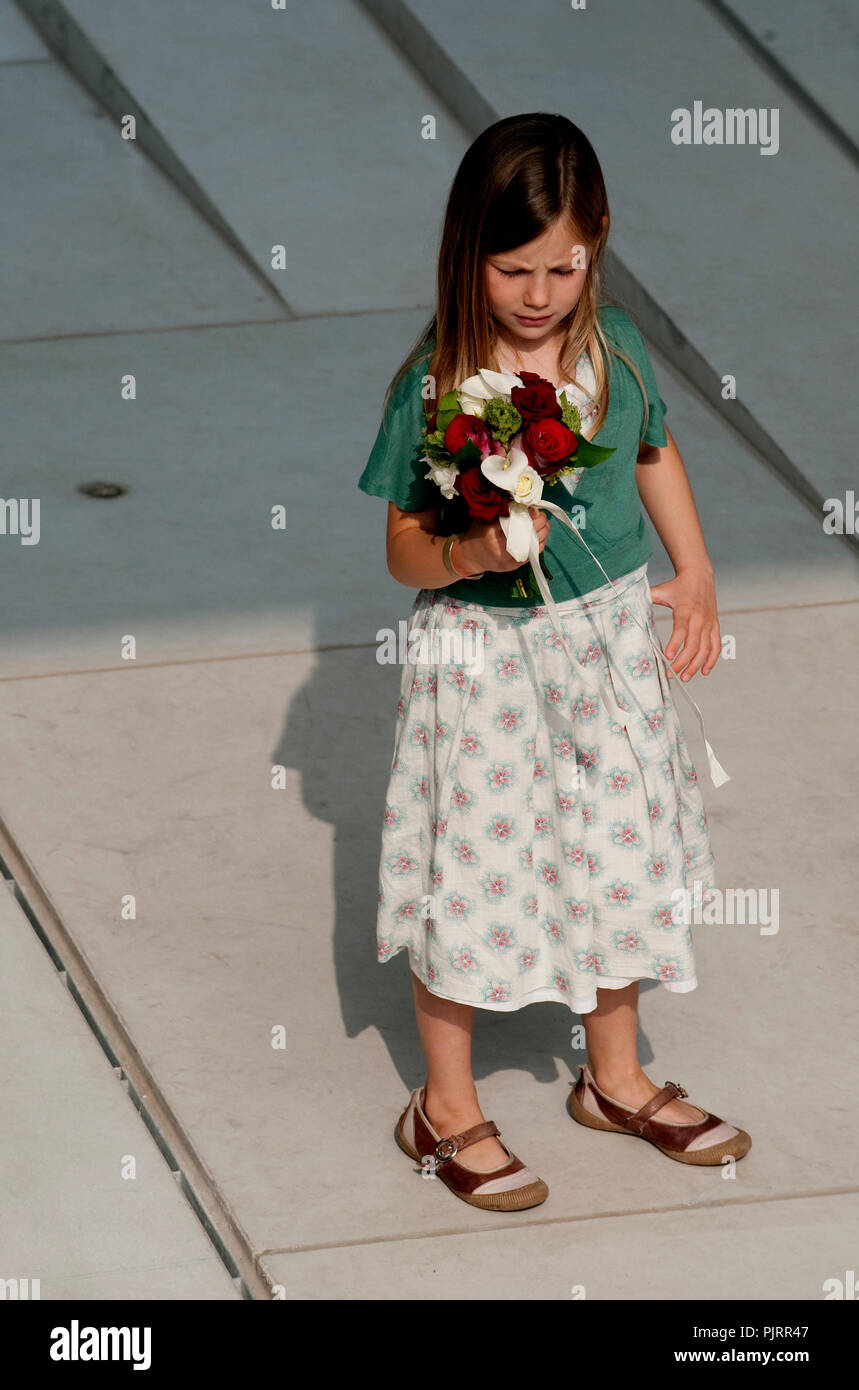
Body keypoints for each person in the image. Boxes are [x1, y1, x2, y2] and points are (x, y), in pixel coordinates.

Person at [357, 113, 751, 1213]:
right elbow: (398, 548)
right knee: (477, 869)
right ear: (467, 253)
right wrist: (471, 546)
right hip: (486, 656)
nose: (538, 293)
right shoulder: (438, 383)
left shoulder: (613, 347)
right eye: (512, 267)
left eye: (562, 266)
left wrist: (698, 570)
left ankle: (613, 1076)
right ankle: (442, 1103)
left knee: (616, 851)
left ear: (599, 244)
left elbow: (655, 446)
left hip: (608, 639)